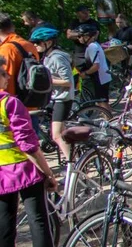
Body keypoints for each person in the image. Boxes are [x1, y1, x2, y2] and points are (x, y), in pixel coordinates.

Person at [0, 55, 61, 247]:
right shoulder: (10, 104)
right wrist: (48, 173)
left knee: (4, 225)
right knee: (38, 221)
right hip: (24, 170)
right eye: (4, 74)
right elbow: (28, 145)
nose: (8, 77)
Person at [29, 27, 74, 161]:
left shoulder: (57, 57)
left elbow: (68, 81)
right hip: (55, 98)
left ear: (48, 42)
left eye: (37, 43)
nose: (35, 46)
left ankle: (74, 166)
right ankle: (73, 158)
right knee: (63, 134)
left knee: (56, 135)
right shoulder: (48, 57)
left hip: (63, 98)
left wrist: (46, 81)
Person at [0, 12, 39, 90]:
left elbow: (5, 84)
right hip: (30, 98)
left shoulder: (7, 49)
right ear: (12, 27)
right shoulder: (28, 44)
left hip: (11, 100)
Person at [75, 24, 112, 103]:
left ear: (87, 37)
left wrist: (85, 73)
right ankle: (108, 115)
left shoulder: (92, 47)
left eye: (80, 36)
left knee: (101, 103)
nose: (79, 38)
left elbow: (96, 66)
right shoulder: (95, 44)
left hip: (100, 77)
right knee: (103, 102)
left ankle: (108, 115)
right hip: (104, 76)